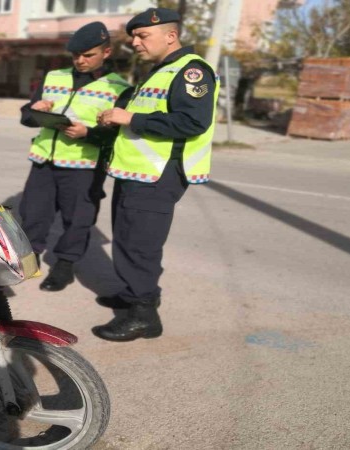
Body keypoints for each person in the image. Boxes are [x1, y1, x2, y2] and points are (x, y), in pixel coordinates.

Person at [93, 8, 219, 341]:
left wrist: (128, 118)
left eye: (142, 36)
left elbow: (193, 122)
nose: (135, 42)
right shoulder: (159, 71)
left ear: (171, 35)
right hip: (137, 172)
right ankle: (134, 293)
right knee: (127, 239)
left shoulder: (191, 72)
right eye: (133, 36)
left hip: (158, 175)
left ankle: (144, 315)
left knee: (140, 246)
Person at [19, 21, 132, 292]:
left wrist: (87, 133)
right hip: (44, 160)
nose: (80, 61)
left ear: (106, 53)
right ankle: (28, 259)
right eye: (75, 55)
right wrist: (36, 109)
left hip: (85, 167)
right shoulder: (53, 77)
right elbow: (26, 117)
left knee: (78, 220)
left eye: (88, 55)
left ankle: (64, 267)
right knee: (33, 214)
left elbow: (118, 137)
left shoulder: (119, 89)